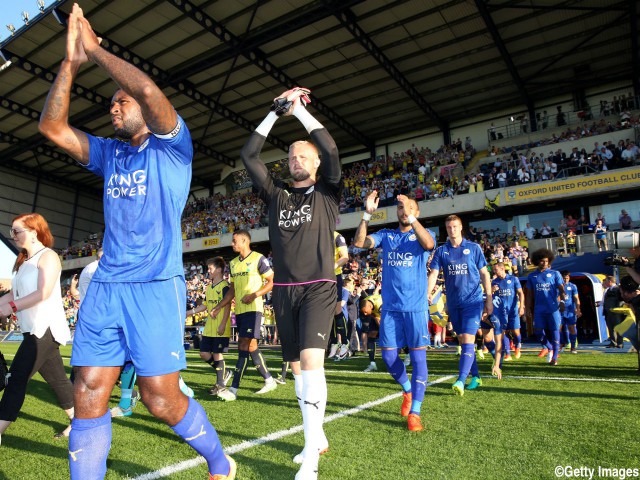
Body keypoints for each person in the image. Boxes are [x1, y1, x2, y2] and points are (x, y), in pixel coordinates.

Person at [38, 6, 234, 479]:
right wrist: (70, 62)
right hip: (106, 286)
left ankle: (219, 460)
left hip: (154, 285)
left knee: (159, 398)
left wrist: (96, 49)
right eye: (112, 102)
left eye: (120, 101)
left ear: (146, 111)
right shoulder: (109, 153)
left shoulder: (173, 145)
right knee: (87, 390)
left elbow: (147, 88)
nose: (114, 106)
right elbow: (52, 128)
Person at [239, 86, 342, 479]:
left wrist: (298, 111)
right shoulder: (275, 195)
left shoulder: (328, 192)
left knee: (313, 365)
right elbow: (249, 155)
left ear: (315, 165)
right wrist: (273, 113)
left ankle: (311, 463)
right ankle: (313, 438)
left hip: (318, 285)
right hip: (283, 291)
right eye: (291, 156)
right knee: (298, 370)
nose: (296, 159)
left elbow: (331, 149)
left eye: (303, 155)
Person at [354, 191, 435, 431]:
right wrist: (367, 214)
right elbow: (359, 243)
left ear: (416, 212)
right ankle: (408, 391)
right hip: (390, 309)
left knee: (419, 359)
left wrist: (412, 219)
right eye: (400, 208)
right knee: (389, 358)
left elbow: (429, 245)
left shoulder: (424, 234)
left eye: (408, 207)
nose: (403, 211)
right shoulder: (387, 236)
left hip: (416, 308)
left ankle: (416, 412)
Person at [0, 213, 74, 443]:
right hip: (33, 329)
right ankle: (81, 422)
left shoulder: (48, 257)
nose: (13, 236)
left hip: (46, 328)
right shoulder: (23, 261)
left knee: (16, 379)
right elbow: (15, 293)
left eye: (16, 231)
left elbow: (42, 293)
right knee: (58, 381)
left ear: (33, 231)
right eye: (12, 231)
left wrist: (10, 307)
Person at [427, 215, 493, 396]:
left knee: (468, 338)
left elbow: (485, 275)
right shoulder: (441, 251)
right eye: (448, 227)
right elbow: (433, 274)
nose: (452, 230)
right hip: (454, 303)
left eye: (455, 226)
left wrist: (488, 299)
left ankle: (461, 380)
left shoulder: (473, 248)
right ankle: (477, 376)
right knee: (464, 341)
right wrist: (428, 292)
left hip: (473, 301)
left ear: (461, 227)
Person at [211, 230, 276, 401]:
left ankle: (233, 389)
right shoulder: (233, 263)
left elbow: (272, 282)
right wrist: (219, 306)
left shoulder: (258, 258)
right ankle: (269, 380)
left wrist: (255, 294)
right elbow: (231, 290)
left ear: (244, 241)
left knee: (243, 345)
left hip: (254, 308)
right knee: (252, 346)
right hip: (239, 310)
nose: (232, 244)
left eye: (234, 241)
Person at [189, 257, 233, 396]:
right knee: (203, 353)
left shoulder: (225, 286)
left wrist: (222, 324)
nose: (208, 271)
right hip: (209, 327)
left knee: (217, 353)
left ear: (219, 270)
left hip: (220, 326)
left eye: (210, 268)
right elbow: (204, 306)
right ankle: (223, 374)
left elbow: (227, 307)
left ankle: (220, 384)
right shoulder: (209, 287)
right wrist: (188, 313)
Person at [525, 249, 565, 366]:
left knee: (555, 331)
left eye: (546, 261)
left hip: (553, 308)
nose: (544, 263)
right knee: (538, 332)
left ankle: (555, 358)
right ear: (537, 261)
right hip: (539, 309)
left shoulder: (555, 274)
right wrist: (527, 308)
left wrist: (562, 300)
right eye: (542, 261)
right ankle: (550, 348)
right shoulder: (532, 276)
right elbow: (529, 294)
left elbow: (561, 289)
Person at [490, 262, 525, 361]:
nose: (494, 271)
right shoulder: (494, 281)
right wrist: (492, 290)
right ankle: (508, 353)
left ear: (502, 269)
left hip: (513, 310)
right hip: (501, 311)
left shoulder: (513, 279)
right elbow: (490, 296)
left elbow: (521, 293)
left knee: (515, 331)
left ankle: (518, 345)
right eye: (494, 270)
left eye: (496, 269)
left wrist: (521, 306)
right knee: (503, 331)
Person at [328, 230, 350, 360]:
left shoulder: (337, 236)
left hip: (333, 276)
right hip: (318, 278)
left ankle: (345, 342)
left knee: (337, 310)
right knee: (325, 313)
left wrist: (331, 267)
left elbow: (345, 257)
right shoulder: (314, 235)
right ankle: (334, 342)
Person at [559, 270, 581, 354]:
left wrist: (578, 309)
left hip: (570, 311)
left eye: (567, 278)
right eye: (564, 278)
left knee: (572, 329)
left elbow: (576, 298)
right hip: (560, 311)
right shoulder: (557, 286)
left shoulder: (573, 286)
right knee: (558, 329)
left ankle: (573, 347)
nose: (565, 280)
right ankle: (561, 344)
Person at [360, 293, 383, 372]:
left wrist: (381, 327)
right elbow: (374, 316)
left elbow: (383, 319)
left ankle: (408, 354)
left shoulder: (379, 303)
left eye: (366, 312)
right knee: (371, 335)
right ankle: (372, 363)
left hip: (387, 314)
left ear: (370, 306)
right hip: (375, 315)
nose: (365, 314)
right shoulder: (365, 302)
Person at [602, 276, 625, 349]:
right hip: (608, 312)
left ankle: (620, 343)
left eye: (606, 281)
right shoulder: (608, 290)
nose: (605, 283)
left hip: (616, 313)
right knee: (610, 328)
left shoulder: (618, 289)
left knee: (618, 327)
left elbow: (622, 299)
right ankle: (613, 342)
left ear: (610, 281)